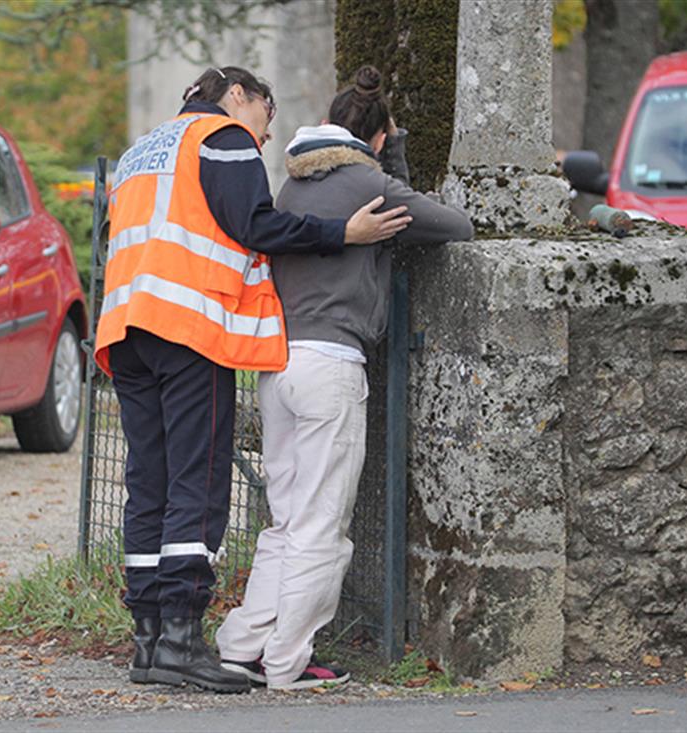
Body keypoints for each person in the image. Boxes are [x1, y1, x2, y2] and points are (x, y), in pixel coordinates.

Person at [92, 66, 412, 694]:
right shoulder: (223, 136)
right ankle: (181, 641)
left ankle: (149, 641)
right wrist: (340, 234)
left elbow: (115, 238)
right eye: (266, 115)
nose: (263, 137)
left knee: (148, 481)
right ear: (238, 96)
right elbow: (255, 224)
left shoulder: (140, 153)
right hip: (186, 326)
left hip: (125, 330)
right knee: (200, 480)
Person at [215, 65, 474, 691]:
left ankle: (240, 646)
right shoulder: (369, 184)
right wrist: (396, 159)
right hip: (331, 364)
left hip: (277, 365)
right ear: (378, 139)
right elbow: (453, 227)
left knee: (285, 517)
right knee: (322, 523)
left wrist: (388, 155)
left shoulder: (293, 185)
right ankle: (289, 662)